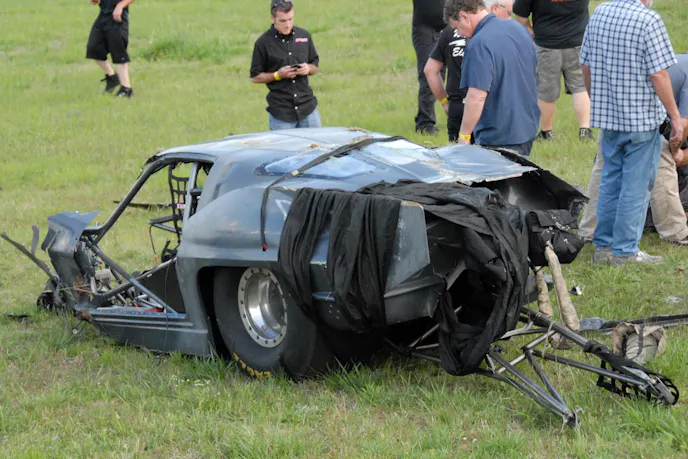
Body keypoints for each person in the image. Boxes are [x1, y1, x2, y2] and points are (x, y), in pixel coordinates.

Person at [580, 0, 683, 266]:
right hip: (642, 122)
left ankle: (603, 248)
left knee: (609, 182)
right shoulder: (649, 19)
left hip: (609, 120)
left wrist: (597, 100)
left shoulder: (600, 13)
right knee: (636, 187)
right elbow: (659, 74)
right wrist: (674, 116)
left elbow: (586, 65)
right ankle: (625, 251)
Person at [579, 54, 688, 247]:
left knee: (604, 172)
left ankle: (590, 231)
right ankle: (674, 233)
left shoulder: (680, 62)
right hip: (644, 116)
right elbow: (683, 126)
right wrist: (675, 151)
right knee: (662, 169)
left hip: (613, 109)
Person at [444, 0, 540, 156]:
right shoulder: (519, 29)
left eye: (457, 27)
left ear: (464, 16)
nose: (460, 34)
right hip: (527, 127)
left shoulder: (478, 44)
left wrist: (464, 136)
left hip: (498, 134)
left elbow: (477, 96)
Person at [513, 0, 593, 141]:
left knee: (546, 92)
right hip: (578, 42)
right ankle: (585, 130)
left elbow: (521, 16)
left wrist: (530, 30)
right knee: (580, 87)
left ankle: (547, 132)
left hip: (546, 44)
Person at [250, 0, 321, 131]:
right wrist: (278, 75)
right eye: (282, 21)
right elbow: (255, 77)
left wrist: (308, 69)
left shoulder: (304, 36)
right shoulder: (262, 43)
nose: (287, 25)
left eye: (290, 19)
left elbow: (315, 65)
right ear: (272, 19)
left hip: (308, 109)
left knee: (317, 144)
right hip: (281, 114)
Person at [423, 26, 467, 143]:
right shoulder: (492, 31)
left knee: (458, 152)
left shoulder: (450, 31)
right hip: (485, 106)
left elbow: (430, 70)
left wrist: (444, 102)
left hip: (456, 105)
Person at [86, 0, 136, 98]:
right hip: (103, 14)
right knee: (93, 47)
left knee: (118, 51)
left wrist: (120, 6)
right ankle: (112, 77)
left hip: (118, 16)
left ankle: (126, 89)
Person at [412, 0, 446, 135]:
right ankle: (425, 122)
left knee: (459, 72)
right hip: (425, 28)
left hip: (455, 24)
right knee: (429, 74)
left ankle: (461, 117)